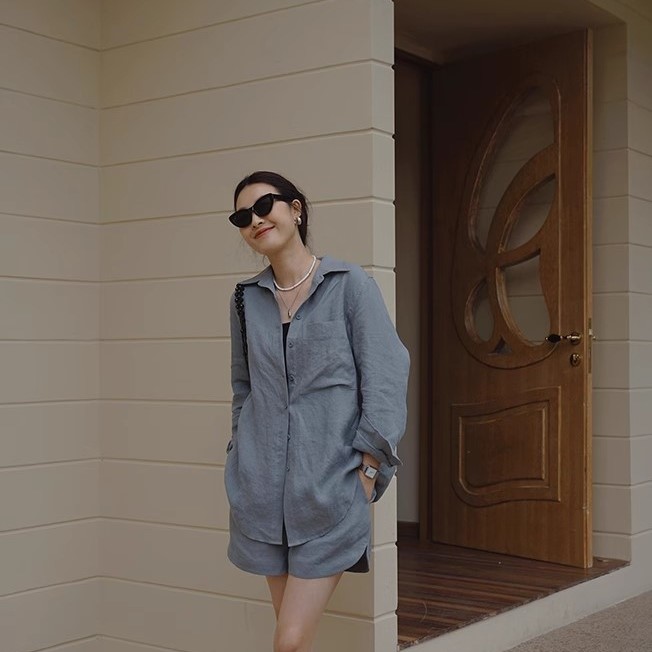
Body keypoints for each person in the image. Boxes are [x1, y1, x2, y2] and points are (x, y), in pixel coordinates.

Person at [224, 171, 409, 652]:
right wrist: (239, 454)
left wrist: (369, 470)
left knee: (288, 641)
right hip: (263, 497)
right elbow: (244, 388)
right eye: (242, 216)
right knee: (295, 640)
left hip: (331, 490)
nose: (255, 220)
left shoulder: (350, 286)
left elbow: (386, 378)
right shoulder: (245, 300)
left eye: (264, 205)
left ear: (296, 209)